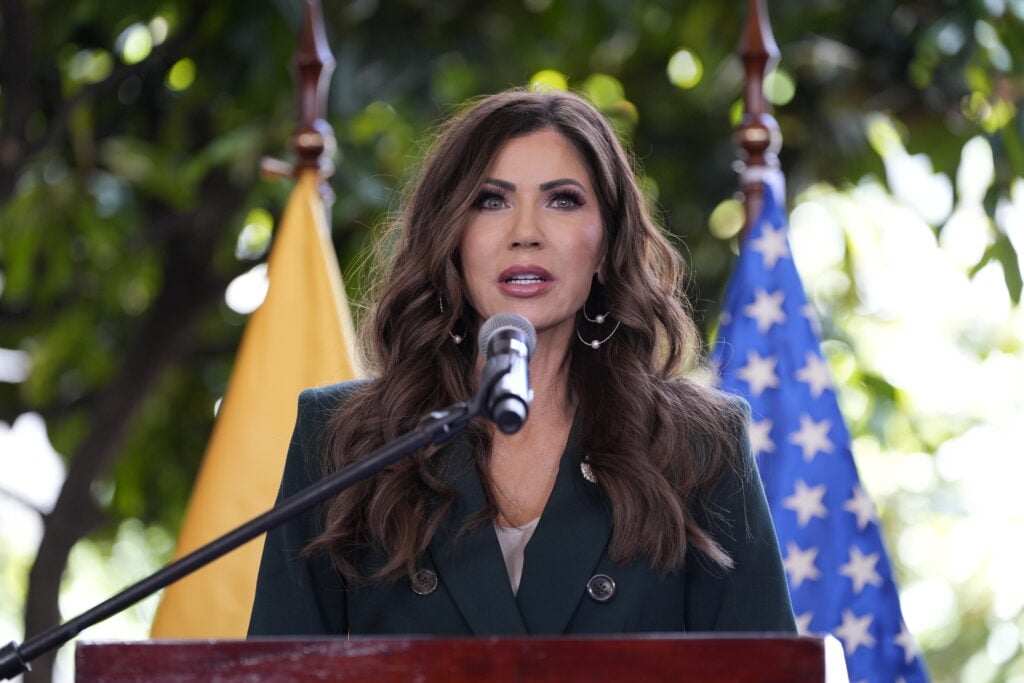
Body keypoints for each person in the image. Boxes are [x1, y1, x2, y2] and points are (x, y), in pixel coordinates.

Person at [247, 89, 796, 636]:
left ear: (606, 247)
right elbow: (275, 669)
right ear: (452, 238)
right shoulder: (347, 438)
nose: (525, 233)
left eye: (562, 199)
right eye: (491, 200)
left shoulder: (700, 442)